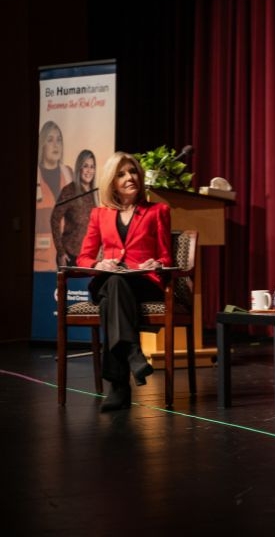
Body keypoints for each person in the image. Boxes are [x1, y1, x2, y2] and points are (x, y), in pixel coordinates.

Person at [76, 152, 173, 412]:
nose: (130, 177)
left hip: (143, 283)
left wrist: (157, 264)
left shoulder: (158, 211)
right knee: (115, 284)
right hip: (110, 280)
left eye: (132, 172)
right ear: (112, 182)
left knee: (113, 294)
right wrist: (98, 264)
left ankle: (119, 387)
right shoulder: (100, 215)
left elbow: (166, 255)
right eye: (121, 174)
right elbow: (83, 257)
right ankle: (133, 354)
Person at [35, 121, 74, 271]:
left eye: (59, 140)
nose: (56, 144)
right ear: (42, 145)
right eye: (50, 140)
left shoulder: (68, 173)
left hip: (68, 257)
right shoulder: (35, 175)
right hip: (41, 261)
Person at [51, 149, 99, 267]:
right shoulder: (69, 191)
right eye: (85, 166)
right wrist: (61, 252)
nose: (89, 170)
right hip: (70, 256)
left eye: (92, 167)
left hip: (90, 257)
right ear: (79, 168)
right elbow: (54, 219)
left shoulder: (96, 193)